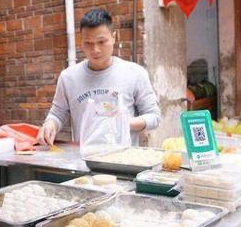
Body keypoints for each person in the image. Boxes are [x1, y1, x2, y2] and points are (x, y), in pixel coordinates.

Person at [37, 8, 161, 146]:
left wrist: (124, 122)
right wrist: (49, 124)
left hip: (124, 161)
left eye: (101, 42)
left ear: (114, 37)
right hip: (84, 160)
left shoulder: (135, 73)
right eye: (88, 43)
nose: (95, 50)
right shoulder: (68, 78)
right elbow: (57, 114)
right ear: (81, 42)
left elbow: (154, 117)